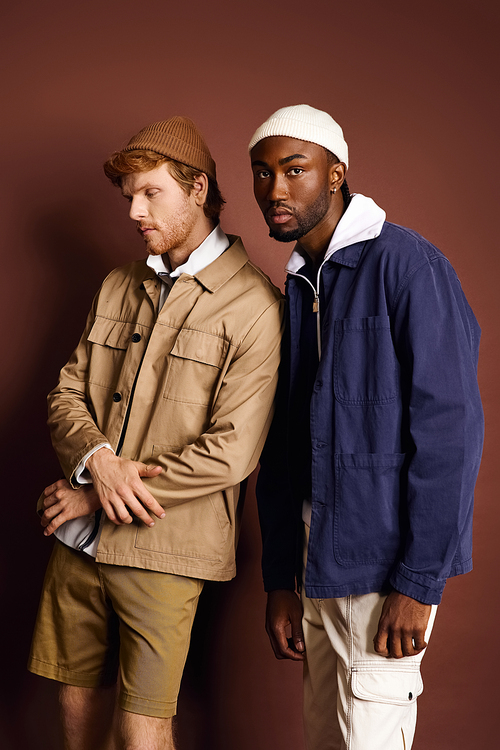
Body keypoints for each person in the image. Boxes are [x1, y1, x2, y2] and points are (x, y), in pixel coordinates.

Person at [28, 116, 283, 750]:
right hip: (76, 546)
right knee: (76, 713)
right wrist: (96, 459)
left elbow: (232, 451)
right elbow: (66, 392)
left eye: (152, 193)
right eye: (130, 198)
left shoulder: (255, 306)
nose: (136, 212)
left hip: (167, 547)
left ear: (198, 189)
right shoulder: (118, 284)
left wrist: (94, 490)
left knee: (143, 731)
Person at [249, 104, 483, 750]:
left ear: (335, 174)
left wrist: (419, 581)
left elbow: (452, 432)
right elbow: (285, 446)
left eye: (294, 170)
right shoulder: (300, 286)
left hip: (384, 576)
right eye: (262, 174)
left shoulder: (407, 266)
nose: (275, 189)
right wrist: (278, 579)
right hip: (313, 568)